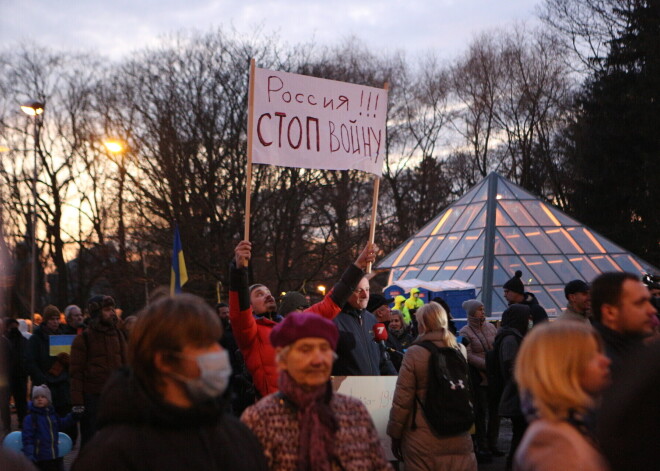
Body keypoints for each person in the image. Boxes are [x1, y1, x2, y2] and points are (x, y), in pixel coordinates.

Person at [71, 293, 268, 471]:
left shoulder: (236, 435)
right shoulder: (111, 456)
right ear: (163, 360)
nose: (217, 353)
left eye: (214, 341)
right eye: (202, 344)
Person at [241, 312, 393, 471]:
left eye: (324, 348)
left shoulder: (354, 410)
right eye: (305, 349)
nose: (318, 360)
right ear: (282, 358)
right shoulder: (261, 419)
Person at [229, 240, 376, 397]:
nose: (267, 295)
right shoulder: (251, 334)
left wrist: (357, 267)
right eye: (259, 294)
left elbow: (329, 305)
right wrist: (238, 272)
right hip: (278, 413)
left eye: (268, 292)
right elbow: (239, 311)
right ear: (250, 306)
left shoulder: (295, 324)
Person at [387, 302, 476, 471]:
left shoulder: (414, 353)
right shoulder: (459, 350)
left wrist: (395, 434)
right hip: (459, 432)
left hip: (422, 436)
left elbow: (402, 400)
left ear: (423, 325)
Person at [513, 322, 610, 471]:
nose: (605, 361)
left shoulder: (576, 422)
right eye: (591, 355)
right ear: (562, 368)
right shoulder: (554, 442)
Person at [69, 295, 127, 447]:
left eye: (112, 309)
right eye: (107, 310)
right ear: (96, 312)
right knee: (91, 444)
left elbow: (126, 367)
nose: (112, 313)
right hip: (92, 399)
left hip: (115, 397)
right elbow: (76, 372)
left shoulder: (118, 335)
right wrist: (78, 403)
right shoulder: (84, 339)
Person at [590, 272, 657, 381]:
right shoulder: (603, 368)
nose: (652, 310)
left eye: (649, 302)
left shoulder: (632, 352)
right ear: (610, 312)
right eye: (640, 303)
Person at [459, 299, 501, 461]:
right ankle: (482, 445)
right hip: (480, 378)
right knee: (481, 412)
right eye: (479, 309)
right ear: (471, 312)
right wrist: (487, 365)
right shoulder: (465, 332)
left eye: (483, 309)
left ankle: (493, 443)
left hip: (493, 377)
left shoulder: (491, 327)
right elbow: (468, 355)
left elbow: (497, 348)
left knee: (495, 412)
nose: (483, 312)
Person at [332, 277, 397, 376]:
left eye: (367, 290)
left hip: (374, 387)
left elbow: (383, 359)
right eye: (359, 291)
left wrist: (396, 381)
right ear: (346, 292)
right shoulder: (333, 320)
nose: (365, 295)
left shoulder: (371, 319)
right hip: (345, 388)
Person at [495, 304, 530, 470]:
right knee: (519, 436)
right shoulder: (510, 340)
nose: (529, 321)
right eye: (527, 318)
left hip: (518, 394)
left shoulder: (513, 336)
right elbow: (513, 368)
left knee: (520, 435)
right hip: (516, 396)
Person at [26, 306, 71, 419]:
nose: (55, 322)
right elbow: (30, 362)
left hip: (62, 385)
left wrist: (68, 361)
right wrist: (42, 380)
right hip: (45, 385)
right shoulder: (36, 339)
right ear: (46, 321)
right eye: (52, 319)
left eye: (57, 319)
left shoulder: (63, 337)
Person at [22, 385, 78, 471]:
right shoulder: (30, 418)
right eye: (36, 397)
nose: (39, 399)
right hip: (39, 457)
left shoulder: (52, 415)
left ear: (49, 400)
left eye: (43, 397)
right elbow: (27, 438)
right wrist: (29, 454)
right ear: (33, 400)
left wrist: (73, 416)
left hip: (54, 455)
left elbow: (62, 424)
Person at [5, 318, 29, 428]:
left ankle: (9, 425)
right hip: (18, 376)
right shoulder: (23, 340)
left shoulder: (7, 340)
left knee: (9, 401)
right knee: (20, 402)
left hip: (13, 376)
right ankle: (21, 423)